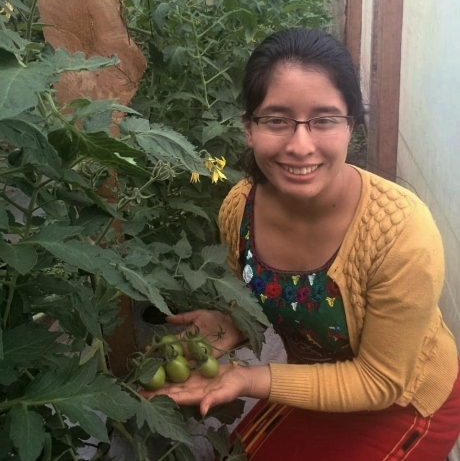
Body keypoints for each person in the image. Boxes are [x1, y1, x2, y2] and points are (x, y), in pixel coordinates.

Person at [142, 28, 460, 460]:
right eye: (276, 120)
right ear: (249, 129)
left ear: (352, 125)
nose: (300, 145)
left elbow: (381, 381)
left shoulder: (400, 234)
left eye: (324, 120)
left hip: (407, 401)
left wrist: (248, 379)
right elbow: (261, 305)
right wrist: (226, 327)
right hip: (321, 386)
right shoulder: (239, 211)